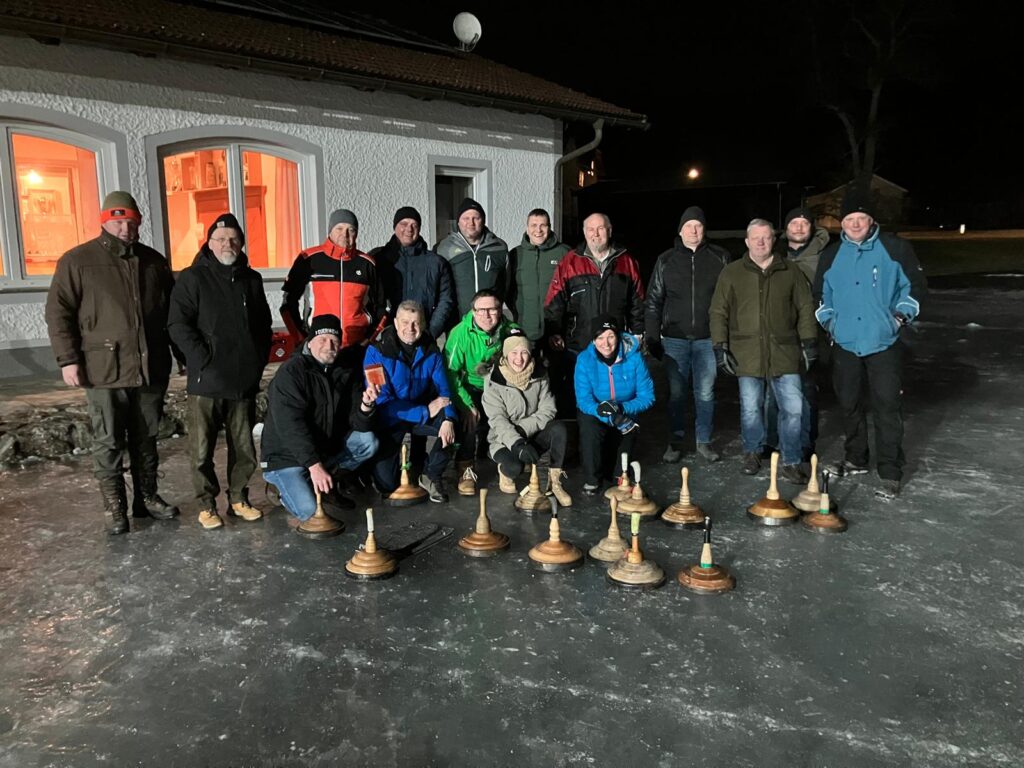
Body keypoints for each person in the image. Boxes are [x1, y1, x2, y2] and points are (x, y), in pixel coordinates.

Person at [45, 191, 179, 535]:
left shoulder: (154, 262)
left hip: (150, 367)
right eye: (117, 221)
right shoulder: (77, 261)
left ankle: (146, 497)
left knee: (147, 436)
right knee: (108, 440)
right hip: (103, 370)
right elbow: (59, 312)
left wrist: (181, 356)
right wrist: (68, 359)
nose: (125, 227)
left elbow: (172, 314)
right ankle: (115, 506)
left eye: (131, 221)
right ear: (104, 221)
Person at [814, 189, 926, 498]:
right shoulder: (832, 254)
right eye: (849, 219)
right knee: (849, 404)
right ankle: (856, 458)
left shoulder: (894, 248)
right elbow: (821, 296)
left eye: (860, 218)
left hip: (883, 342)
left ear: (870, 220)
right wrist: (831, 323)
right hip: (846, 342)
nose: (855, 224)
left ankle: (890, 469)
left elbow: (914, 287)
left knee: (887, 406)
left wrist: (899, 318)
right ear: (843, 222)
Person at [168, 213, 273, 530]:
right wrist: (202, 357)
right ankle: (206, 504)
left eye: (234, 239)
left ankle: (239, 498)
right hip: (207, 381)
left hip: (242, 380)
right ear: (209, 243)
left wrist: (257, 361)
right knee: (201, 450)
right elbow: (177, 324)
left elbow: (263, 326)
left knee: (244, 448)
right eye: (221, 239)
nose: (228, 244)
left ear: (241, 244)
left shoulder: (250, 280)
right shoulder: (193, 278)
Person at [709, 219, 817, 483]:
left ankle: (791, 459)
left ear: (773, 240)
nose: (760, 242)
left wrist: (810, 341)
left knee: (793, 409)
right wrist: (720, 345)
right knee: (751, 408)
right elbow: (718, 311)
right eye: (755, 238)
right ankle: (752, 451)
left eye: (766, 238)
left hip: (785, 351)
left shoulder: (790, 271)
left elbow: (804, 308)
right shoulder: (732, 272)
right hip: (746, 352)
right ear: (746, 242)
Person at [261, 315, 380, 522]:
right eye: (322, 339)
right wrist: (314, 465)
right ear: (310, 341)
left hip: (322, 451)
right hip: (286, 457)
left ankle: (327, 485)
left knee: (367, 442)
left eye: (334, 340)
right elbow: (291, 426)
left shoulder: (343, 370)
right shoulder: (292, 372)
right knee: (310, 512)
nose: (329, 345)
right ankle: (278, 485)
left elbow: (356, 422)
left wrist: (366, 407)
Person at [644, 206, 730, 464]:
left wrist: (725, 337)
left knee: (705, 393)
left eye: (698, 226)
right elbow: (653, 301)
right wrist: (652, 336)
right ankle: (676, 441)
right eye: (688, 226)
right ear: (679, 230)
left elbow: (729, 301)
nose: (693, 231)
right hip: (675, 339)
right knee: (677, 393)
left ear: (704, 230)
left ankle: (704, 441)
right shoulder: (666, 260)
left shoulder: (720, 257)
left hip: (707, 338)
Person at [544, 213, 645, 415]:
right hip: (579, 345)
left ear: (609, 231)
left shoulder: (626, 261)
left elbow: (638, 302)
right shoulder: (570, 262)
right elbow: (554, 302)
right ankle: (583, 442)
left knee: (614, 395)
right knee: (580, 397)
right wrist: (553, 332)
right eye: (590, 229)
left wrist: (638, 332)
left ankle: (615, 439)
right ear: (584, 232)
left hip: (614, 345)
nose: (595, 234)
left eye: (600, 228)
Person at [364, 301, 459, 503]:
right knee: (387, 485)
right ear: (396, 323)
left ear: (423, 324)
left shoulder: (432, 351)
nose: (411, 329)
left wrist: (448, 418)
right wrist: (424, 411)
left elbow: (444, 391)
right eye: (405, 322)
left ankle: (430, 473)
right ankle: (381, 468)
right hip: (392, 419)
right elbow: (383, 401)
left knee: (452, 426)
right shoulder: (376, 352)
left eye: (416, 323)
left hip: (421, 414)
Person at [765, 207, 832, 459]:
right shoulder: (775, 252)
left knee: (806, 389)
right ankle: (772, 441)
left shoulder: (824, 255)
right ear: (786, 228)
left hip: (809, 329)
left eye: (804, 223)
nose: (799, 228)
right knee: (772, 390)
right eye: (794, 223)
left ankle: (805, 443)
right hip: (778, 331)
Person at [280, 208, 386, 368]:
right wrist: (301, 338)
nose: (345, 234)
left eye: (351, 230)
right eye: (339, 228)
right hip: (319, 347)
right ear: (330, 231)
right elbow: (288, 303)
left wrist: (369, 338)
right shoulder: (309, 259)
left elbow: (382, 307)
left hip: (356, 347)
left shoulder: (367, 264)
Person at [443, 289, 519, 495]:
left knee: (511, 415)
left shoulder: (511, 330)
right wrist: (467, 404)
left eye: (492, 309)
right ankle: (465, 466)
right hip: (470, 386)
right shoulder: (460, 333)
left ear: (500, 310)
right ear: (473, 311)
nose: (486, 315)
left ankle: (506, 463)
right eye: (481, 310)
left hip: (501, 385)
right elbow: (450, 373)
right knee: (470, 419)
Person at [481, 333, 571, 506]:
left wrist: (523, 430)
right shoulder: (493, 380)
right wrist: (517, 442)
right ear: (506, 355)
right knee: (514, 468)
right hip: (504, 439)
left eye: (524, 352)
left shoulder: (540, 374)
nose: (519, 358)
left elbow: (548, 409)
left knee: (559, 428)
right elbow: (497, 420)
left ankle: (555, 482)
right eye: (514, 353)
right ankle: (504, 469)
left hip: (531, 433)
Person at [574, 314, 655, 496]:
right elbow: (583, 399)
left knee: (618, 473)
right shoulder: (584, 360)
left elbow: (647, 396)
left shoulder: (634, 358)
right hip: (596, 412)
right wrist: (602, 412)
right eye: (600, 337)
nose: (606, 343)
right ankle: (591, 480)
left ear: (618, 336)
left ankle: (619, 472)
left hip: (624, 413)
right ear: (593, 341)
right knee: (589, 429)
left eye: (611, 336)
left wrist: (622, 408)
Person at [371, 206, 456, 340]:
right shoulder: (379, 259)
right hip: (388, 338)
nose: (409, 229)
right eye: (403, 224)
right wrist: (383, 331)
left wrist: (431, 331)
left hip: (424, 336)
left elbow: (445, 300)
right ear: (395, 227)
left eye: (414, 225)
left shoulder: (436, 263)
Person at [435, 197, 510, 319]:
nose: (471, 223)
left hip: (490, 320)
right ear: (458, 222)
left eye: (476, 218)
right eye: (466, 218)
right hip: (457, 321)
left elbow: (506, 284)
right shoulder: (443, 248)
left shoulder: (499, 247)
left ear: (483, 221)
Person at [507, 208, 569, 343]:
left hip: (556, 332)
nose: (538, 230)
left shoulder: (564, 253)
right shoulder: (515, 254)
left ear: (550, 227)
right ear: (527, 228)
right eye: (534, 225)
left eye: (543, 225)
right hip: (525, 329)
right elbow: (508, 290)